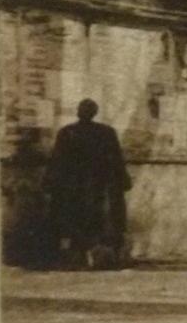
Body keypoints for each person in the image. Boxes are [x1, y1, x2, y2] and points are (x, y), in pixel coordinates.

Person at [44, 98, 131, 270]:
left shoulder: (68, 132)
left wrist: (50, 183)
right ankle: (92, 256)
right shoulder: (106, 132)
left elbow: (57, 161)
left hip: (75, 187)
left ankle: (80, 256)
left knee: (76, 221)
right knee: (96, 221)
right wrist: (122, 181)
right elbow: (116, 161)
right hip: (96, 186)